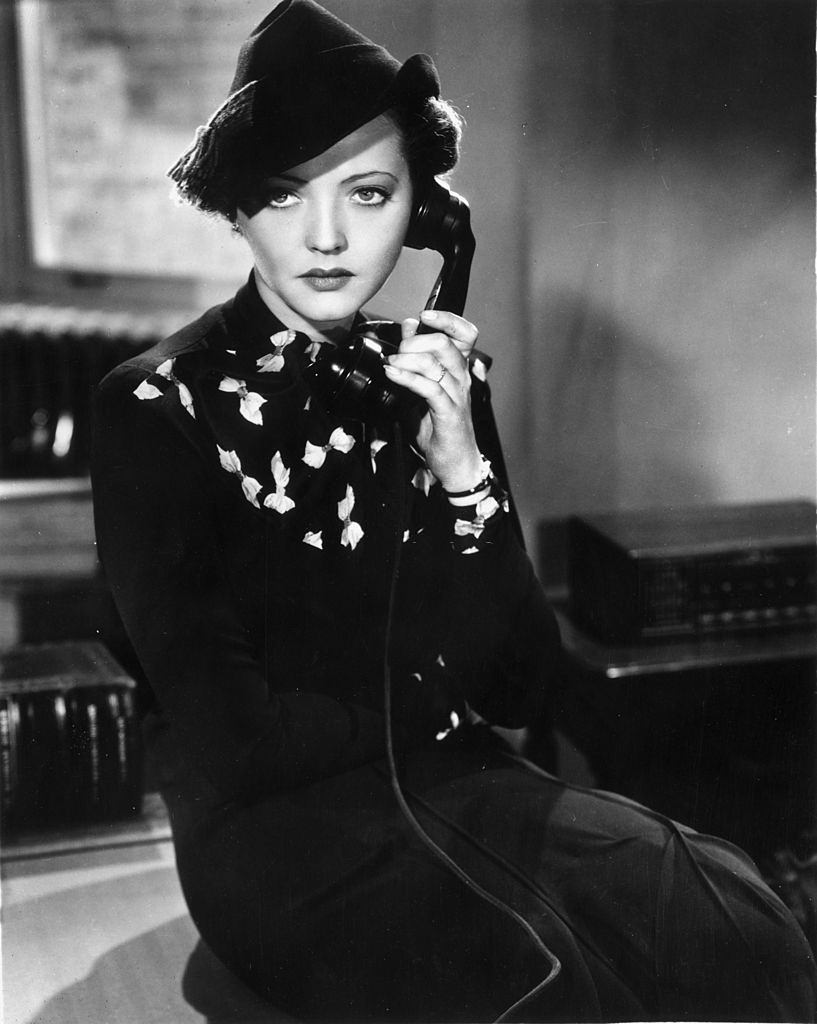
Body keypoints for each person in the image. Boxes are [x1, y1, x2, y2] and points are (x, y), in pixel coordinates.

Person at [91, 2, 817, 1020]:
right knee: (537, 984)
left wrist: (463, 470)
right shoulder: (153, 405)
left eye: (371, 193)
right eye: (287, 197)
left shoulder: (430, 376)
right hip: (274, 841)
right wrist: (416, 695)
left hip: (459, 779)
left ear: (425, 215)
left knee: (741, 927)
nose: (332, 237)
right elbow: (232, 740)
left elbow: (519, 685)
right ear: (238, 209)